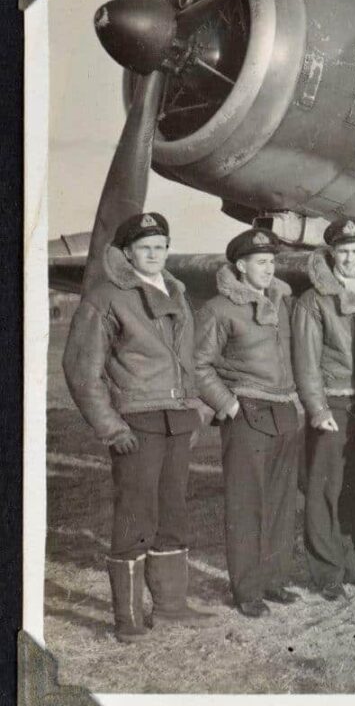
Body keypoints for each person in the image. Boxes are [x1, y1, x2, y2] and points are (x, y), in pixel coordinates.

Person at [63, 213, 215, 642]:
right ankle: (127, 619)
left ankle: (169, 606)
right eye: (145, 248)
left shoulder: (178, 292)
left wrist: (194, 410)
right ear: (127, 253)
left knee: (172, 511)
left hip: (176, 421)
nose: (154, 254)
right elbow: (80, 370)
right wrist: (111, 427)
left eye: (161, 246)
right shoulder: (106, 297)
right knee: (135, 516)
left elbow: (185, 359)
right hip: (137, 423)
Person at [194, 228, 302, 618]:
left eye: (272, 262)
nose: (268, 269)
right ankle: (247, 589)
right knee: (246, 505)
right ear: (240, 266)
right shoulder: (218, 310)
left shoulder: (282, 303)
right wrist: (228, 405)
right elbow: (197, 366)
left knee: (280, 503)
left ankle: (273, 580)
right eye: (261, 262)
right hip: (247, 416)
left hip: (285, 413)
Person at [292, 216, 355, 601]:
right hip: (335, 405)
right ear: (332, 254)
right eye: (342, 252)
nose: (349, 259)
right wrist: (316, 408)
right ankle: (327, 573)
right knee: (324, 490)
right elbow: (306, 362)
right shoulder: (314, 301)